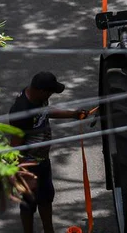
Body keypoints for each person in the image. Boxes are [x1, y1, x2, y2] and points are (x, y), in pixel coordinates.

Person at [8, 72, 90, 233]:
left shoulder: (38, 98)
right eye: (50, 92)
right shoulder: (21, 112)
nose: (51, 95)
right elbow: (15, 146)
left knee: (46, 199)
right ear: (40, 90)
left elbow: (46, 112)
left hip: (43, 161)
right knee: (28, 204)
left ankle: (49, 230)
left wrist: (72, 114)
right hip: (29, 165)